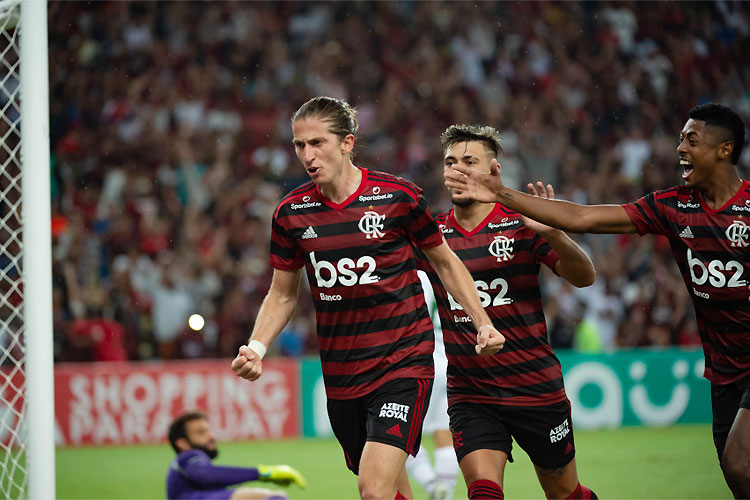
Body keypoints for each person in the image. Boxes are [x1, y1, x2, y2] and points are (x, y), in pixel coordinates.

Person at [444, 103, 750, 498]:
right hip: (725, 368)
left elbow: (583, 273)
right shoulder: (673, 205)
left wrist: (511, 202)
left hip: (535, 387)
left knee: (739, 463)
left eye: (691, 140)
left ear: (725, 150)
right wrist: (509, 197)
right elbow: (584, 218)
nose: (680, 149)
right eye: (680, 139)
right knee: (736, 474)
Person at [231, 96, 504, 500]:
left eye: (317, 143)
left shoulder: (399, 198)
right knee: (393, 491)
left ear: (346, 143)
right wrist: (257, 346)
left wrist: (483, 322)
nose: (307, 154)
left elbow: (446, 264)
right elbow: (283, 294)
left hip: (402, 362)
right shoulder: (291, 213)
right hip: (342, 374)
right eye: (299, 145)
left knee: (373, 490)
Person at [431, 125, 598, 499]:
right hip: (472, 393)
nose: (457, 170)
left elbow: (584, 276)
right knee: (484, 492)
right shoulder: (433, 233)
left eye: (469, 162)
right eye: (450, 162)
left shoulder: (521, 222)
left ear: (493, 171)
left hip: (535, 388)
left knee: (564, 492)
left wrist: (555, 233)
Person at [405, 271, 459, 500]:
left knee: (399, 436)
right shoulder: (456, 273)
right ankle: (443, 495)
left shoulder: (418, 275)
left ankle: (430, 484)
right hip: (452, 360)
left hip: (423, 360)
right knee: (445, 435)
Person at [166, 411, 306, 500]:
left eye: (208, 430)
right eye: (201, 433)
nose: (211, 436)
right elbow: (205, 475)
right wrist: (264, 473)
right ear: (182, 444)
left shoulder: (187, 465)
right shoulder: (188, 457)